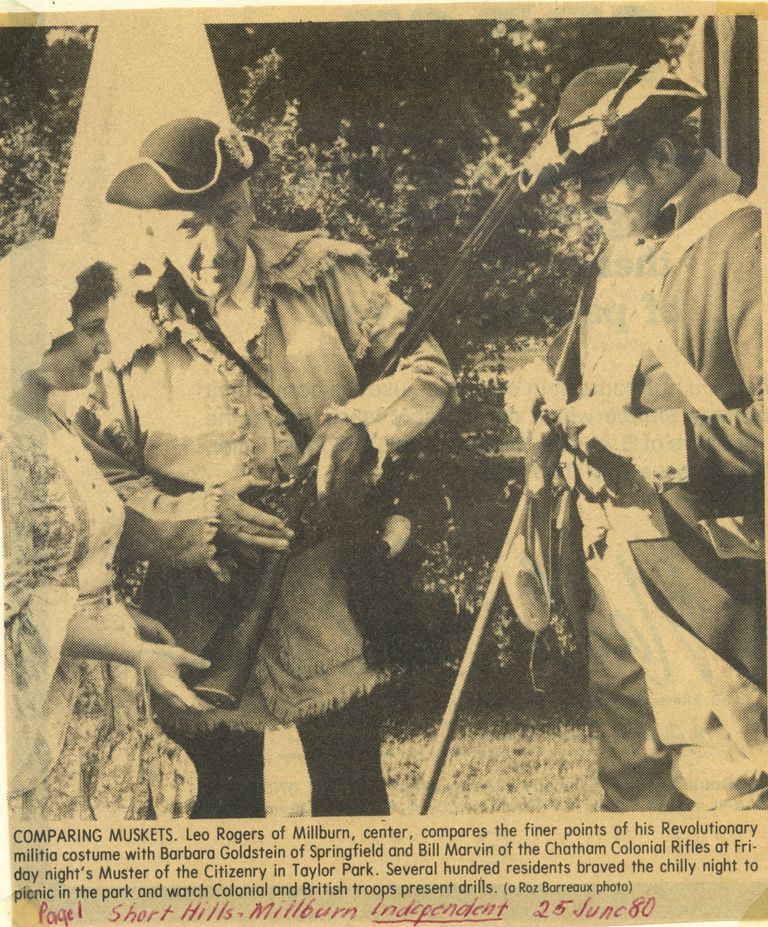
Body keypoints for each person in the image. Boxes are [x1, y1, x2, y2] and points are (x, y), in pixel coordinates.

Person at [79, 117, 455, 817]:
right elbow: (96, 482)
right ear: (153, 230)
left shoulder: (325, 276)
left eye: (229, 215)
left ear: (251, 201)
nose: (215, 247)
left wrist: (361, 424)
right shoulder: (115, 329)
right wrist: (200, 520)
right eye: (189, 227)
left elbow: (427, 367)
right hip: (201, 615)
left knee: (354, 800)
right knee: (222, 813)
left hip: (330, 595)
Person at [504, 62, 766, 810]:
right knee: (634, 791)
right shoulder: (620, 254)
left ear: (665, 157)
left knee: (733, 785)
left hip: (708, 579)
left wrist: (648, 440)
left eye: (604, 180)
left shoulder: (745, 245)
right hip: (612, 569)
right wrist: (543, 397)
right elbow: (600, 381)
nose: (589, 201)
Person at [1, 240, 212, 820]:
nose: (107, 347)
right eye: (92, 329)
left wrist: (121, 615)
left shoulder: (55, 420)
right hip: (45, 700)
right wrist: (137, 652)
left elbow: (71, 563)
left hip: (105, 676)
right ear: (39, 329)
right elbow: (18, 613)